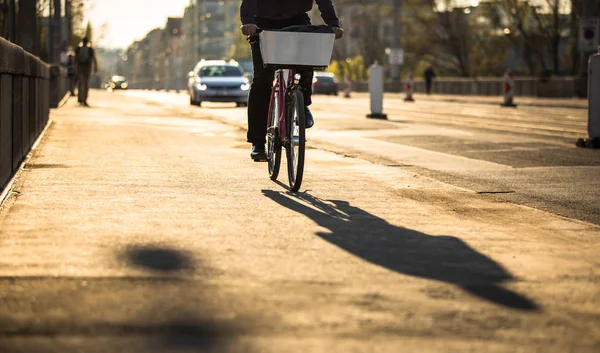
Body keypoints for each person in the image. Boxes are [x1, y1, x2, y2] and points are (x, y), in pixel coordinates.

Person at [240, 0, 344, 161]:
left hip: (297, 20)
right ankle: (258, 143)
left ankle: (303, 103)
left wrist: (333, 24)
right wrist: (247, 22)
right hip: (263, 24)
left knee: (307, 65)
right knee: (262, 80)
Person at [75, 37, 98, 106]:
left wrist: (74, 67)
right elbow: (93, 58)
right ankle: (83, 99)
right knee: (84, 83)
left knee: (81, 83)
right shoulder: (89, 49)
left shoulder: (79, 48)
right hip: (86, 67)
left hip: (81, 67)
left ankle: (81, 98)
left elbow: (75, 58)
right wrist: (95, 67)